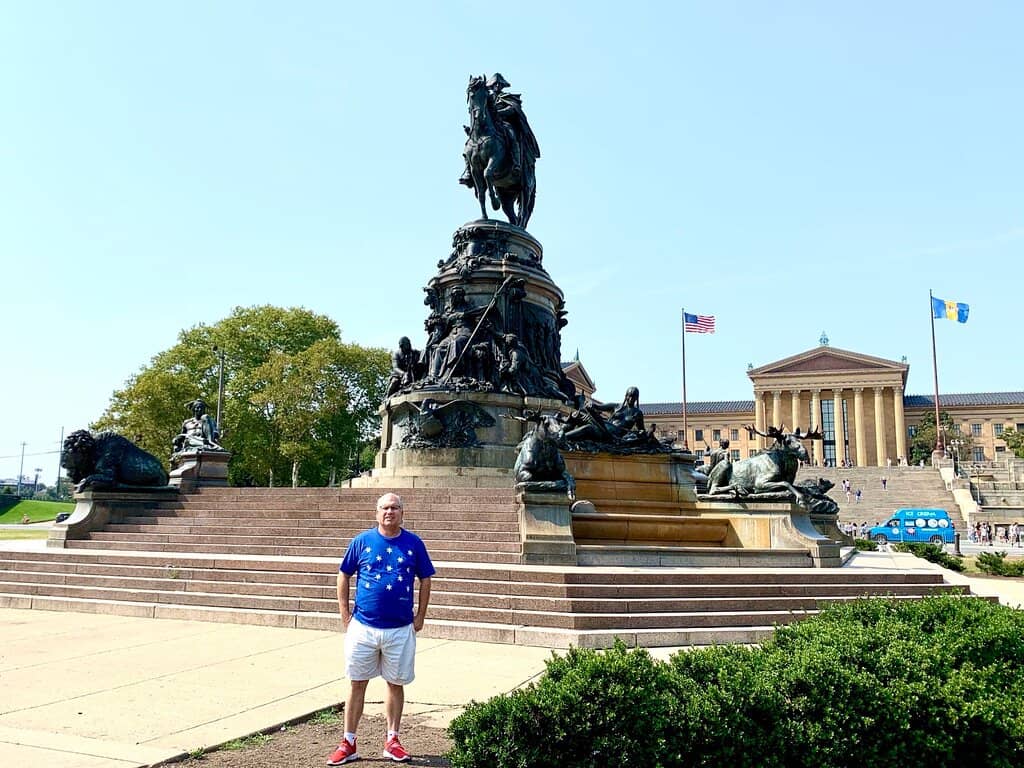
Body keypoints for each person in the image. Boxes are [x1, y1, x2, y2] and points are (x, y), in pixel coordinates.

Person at [329, 493, 434, 766]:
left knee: (395, 683)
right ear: (377, 513)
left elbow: (426, 579)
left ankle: (393, 739)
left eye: (395, 508)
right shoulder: (362, 541)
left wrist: (420, 615)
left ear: (402, 513)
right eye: (385, 508)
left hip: (400, 627)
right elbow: (344, 574)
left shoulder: (414, 543)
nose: (390, 512)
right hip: (363, 626)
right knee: (356, 683)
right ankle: (349, 741)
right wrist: (344, 614)